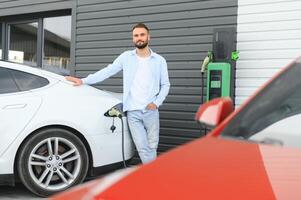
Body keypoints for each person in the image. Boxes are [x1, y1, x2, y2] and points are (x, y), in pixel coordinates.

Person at [65, 23, 170, 164]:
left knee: (152, 146)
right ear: (133, 38)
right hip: (133, 112)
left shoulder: (159, 60)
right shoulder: (126, 57)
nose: (139, 38)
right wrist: (84, 81)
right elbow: (107, 71)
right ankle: (153, 176)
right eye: (136, 35)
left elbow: (165, 84)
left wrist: (156, 103)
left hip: (151, 111)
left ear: (148, 37)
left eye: (142, 35)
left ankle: (151, 176)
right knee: (142, 148)